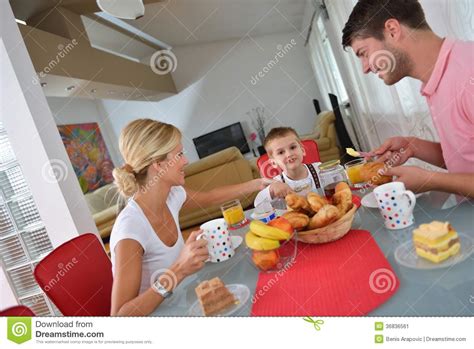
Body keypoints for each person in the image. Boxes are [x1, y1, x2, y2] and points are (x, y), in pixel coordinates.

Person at [110, 119, 269, 316]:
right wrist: (179, 270)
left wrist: (260, 183)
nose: (185, 160)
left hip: (184, 301)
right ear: (158, 165)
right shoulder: (131, 228)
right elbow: (119, 316)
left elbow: (212, 197)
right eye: (179, 154)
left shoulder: (172, 194)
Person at [342, 0, 474, 198]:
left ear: (393, 30)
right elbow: (465, 159)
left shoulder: (467, 73)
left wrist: (432, 180)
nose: (365, 68)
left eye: (364, 53)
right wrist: (413, 146)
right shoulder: (437, 80)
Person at [254, 127, 323, 207]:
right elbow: (257, 203)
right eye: (281, 152)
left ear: (303, 151)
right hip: (296, 219)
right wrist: (271, 189)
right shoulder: (277, 183)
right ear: (273, 162)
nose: (289, 154)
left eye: (292, 147)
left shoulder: (319, 169)